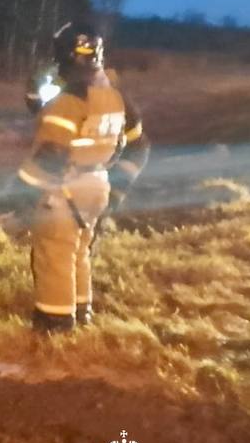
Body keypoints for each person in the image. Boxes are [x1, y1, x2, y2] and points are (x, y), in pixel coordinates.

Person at [17, 22, 150, 332]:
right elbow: (138, 145)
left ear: (63, 54)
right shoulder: (115, 95)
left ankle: (56, 326)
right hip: (99, 186)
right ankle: (81, 313)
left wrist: (16, 194)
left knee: (54, 258)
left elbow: (50, 156)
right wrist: (118, 190)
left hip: (65, 190)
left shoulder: (68, 100)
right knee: (79, 252)